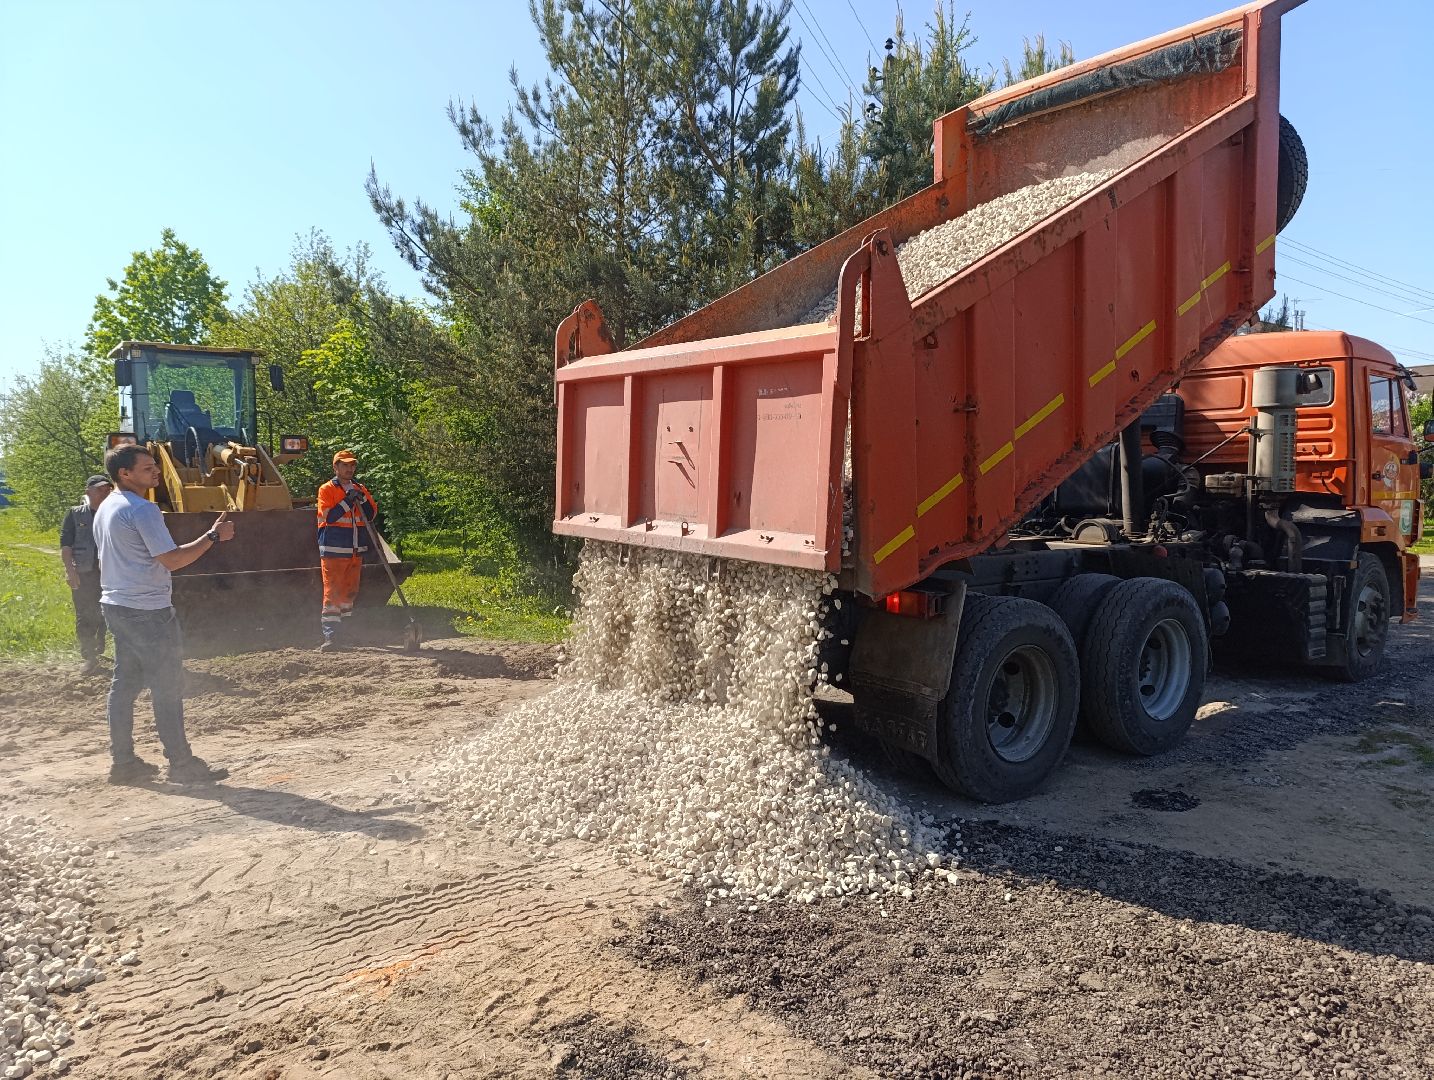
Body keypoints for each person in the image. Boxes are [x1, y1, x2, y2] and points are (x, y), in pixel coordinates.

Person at [93, 443, 234, 785]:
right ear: (124, 474)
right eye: (146, 468)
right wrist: (213, 536)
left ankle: (123, 763)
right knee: (167, 686)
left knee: (124, 684)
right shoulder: (142, 510)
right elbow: (172, 560)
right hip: (147, 611)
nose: (155, 471)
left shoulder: (106, 506)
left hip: (116, 605)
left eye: (154, 465)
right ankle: (182, 764)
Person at [316, 449, 377, 651]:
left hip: (354, 549)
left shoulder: (360, 488)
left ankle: (346, 634)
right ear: (336, 467)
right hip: (334, 550)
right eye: (345, 465)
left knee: (349, 594)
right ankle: (332, 638)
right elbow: (329, 516)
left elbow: (371, 514)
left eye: (352, 465)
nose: (349, 468)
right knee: (332, 594)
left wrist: (362, 499)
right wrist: (347, 500)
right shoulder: (327, 489)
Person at [60, 475, 113, 676]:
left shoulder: (113, 513)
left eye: (108, 489)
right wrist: (70, 571)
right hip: (84, 572)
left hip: (109, 573)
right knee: (85, 614)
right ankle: (89, 656)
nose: (105, 492)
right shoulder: (75, 514)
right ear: (88, 491)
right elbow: (66, 545)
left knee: (106, 613)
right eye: (100, 489)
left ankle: (99, 647)